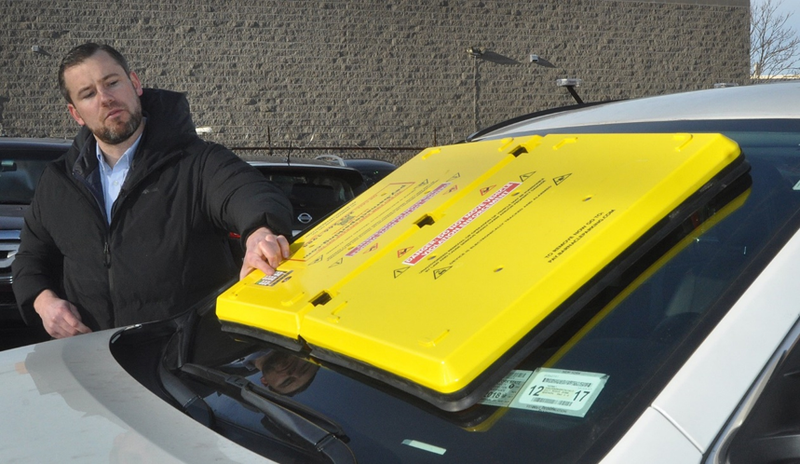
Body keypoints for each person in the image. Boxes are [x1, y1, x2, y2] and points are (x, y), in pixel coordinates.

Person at [12, 43, 293, 339]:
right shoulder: (58, 181)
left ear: (134, 83)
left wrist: (260, 231)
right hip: (93, 361)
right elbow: (30, 259)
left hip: (187, 367)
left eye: (112, 83)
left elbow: (250, 192)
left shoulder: (195, 161)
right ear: (76, 114)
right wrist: (44, 303)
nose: (106, 99)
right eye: (88, 94)